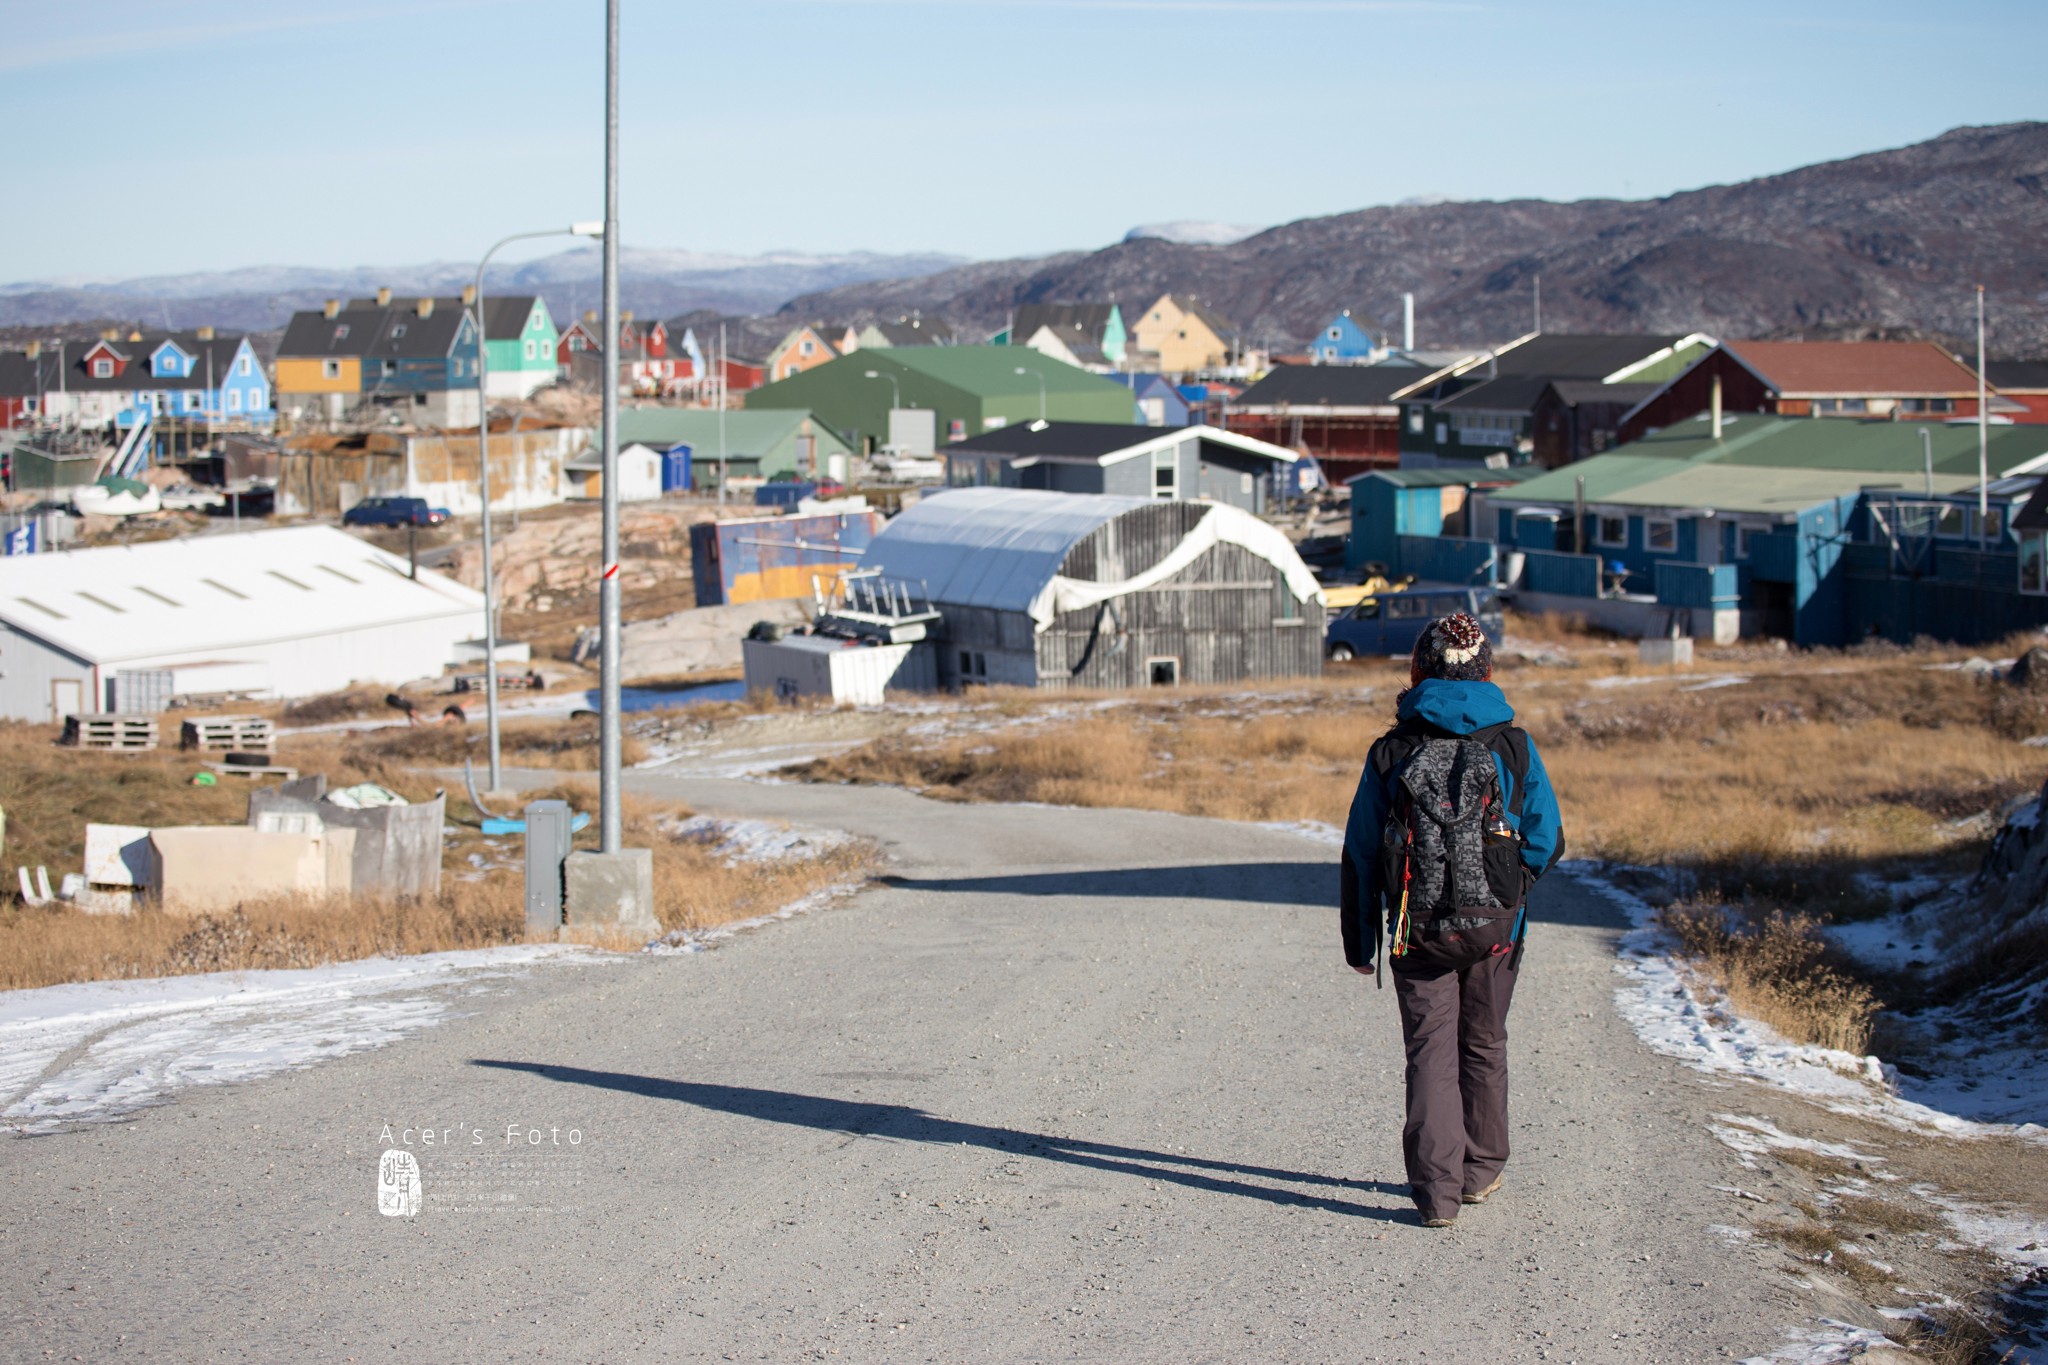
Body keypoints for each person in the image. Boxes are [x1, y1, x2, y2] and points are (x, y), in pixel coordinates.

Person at [1341, 612, 1564, 1228]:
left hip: (1418, 931)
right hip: (1498, 932)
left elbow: (1362, 852)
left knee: (1430, 1053)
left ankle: (1436, 1196)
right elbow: (1547, 839)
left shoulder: (1391, 751)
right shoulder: (1513, 746)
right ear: (1487, 671)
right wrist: (1508, 895)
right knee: (1485, 1044)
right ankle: (1480, 1173)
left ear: (1418, 670)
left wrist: (1360, 939)